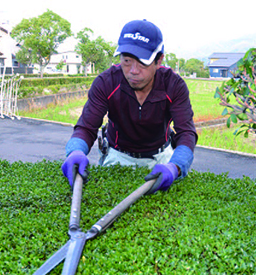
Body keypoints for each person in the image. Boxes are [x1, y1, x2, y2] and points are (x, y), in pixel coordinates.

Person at [62, 19, 197, 194]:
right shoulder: (106, 82)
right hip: (117, 156)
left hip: (162, 158)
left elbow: (187, 133)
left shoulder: (173, 85)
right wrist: (75, 151)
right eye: (127, 60)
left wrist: (176, 166)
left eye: (142, 62)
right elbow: (87, 127)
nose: (133, 70)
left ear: (159, 60)